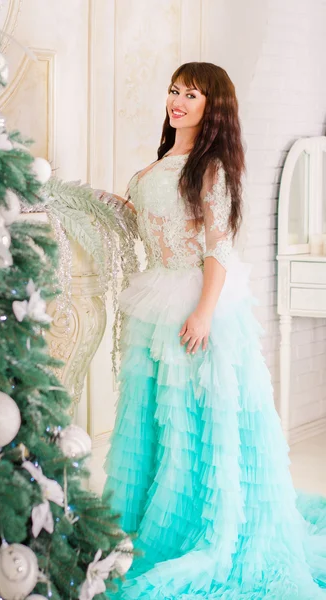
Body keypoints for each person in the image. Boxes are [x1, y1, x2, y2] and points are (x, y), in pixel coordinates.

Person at [102, 62, 326, 599]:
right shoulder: (164, 164)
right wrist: (118, 208)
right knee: (160, 415)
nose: (177, 101)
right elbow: (154, 226)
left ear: (212, 106)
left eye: (191, 94)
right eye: (174, 91)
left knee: (197, 420)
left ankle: (200, 524)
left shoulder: (212, 168)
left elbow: (217, 245)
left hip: (194, 300)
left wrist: (203, 310)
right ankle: (155, 515)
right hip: (157, 296)